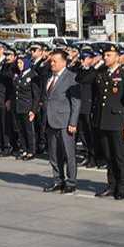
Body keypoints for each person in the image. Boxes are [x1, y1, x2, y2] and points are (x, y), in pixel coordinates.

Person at [94, 45, 124, 200]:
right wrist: (95, 65)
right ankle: (111, 185)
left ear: (117, 57)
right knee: (109, 156)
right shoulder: (101, 73)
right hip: (103, 120)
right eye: (104, 55)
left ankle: (121, 188)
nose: (105, 58)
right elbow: (82, 79)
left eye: (109, 55)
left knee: (119, 156)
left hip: (118, 121)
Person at [42, 50, 81, 194]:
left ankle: (71, 182)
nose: (52, 63)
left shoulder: (71, 77)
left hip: (65, 121)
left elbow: (76, 102)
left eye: (55, 61)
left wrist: (73, 122)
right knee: (54, 154)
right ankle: (58, 180)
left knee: (68, 154)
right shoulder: (49, 77)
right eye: (51, 61)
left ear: (64, 62)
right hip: (50, 120)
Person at [11, 55, 40, 161]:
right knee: (21, 130)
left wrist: (33, 110)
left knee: (29, 130)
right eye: (18, 63)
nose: (19, 65)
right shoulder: (18, 75)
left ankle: (31, 151)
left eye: (21, 63)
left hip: (27, 107)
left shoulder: (32, 75)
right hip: (18, 106)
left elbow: (36, 95)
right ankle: (24, 149)